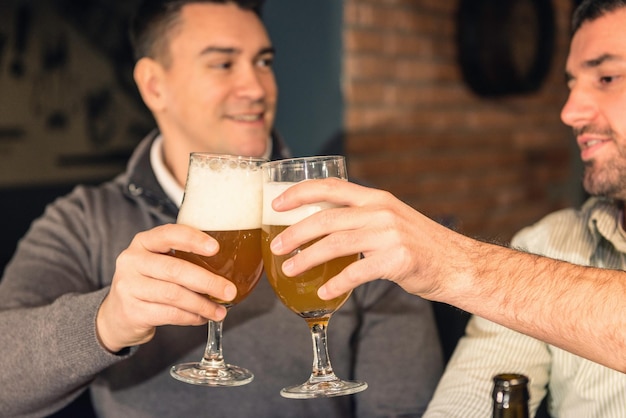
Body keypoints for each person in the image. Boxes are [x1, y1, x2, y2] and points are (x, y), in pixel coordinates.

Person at [0, 1, 444, 417]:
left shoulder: (350, 218)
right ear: (155, 85)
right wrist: (106, 320)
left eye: (264, 62)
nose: (256, 88)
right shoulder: (85, 221)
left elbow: (406, 405)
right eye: (223, 64)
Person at [267, 0, 626, 398]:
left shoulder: (525, 266)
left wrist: (452, 261)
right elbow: (466, 402)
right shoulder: (547, 245)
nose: (570, 112)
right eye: (571, 85)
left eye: (607, 78)